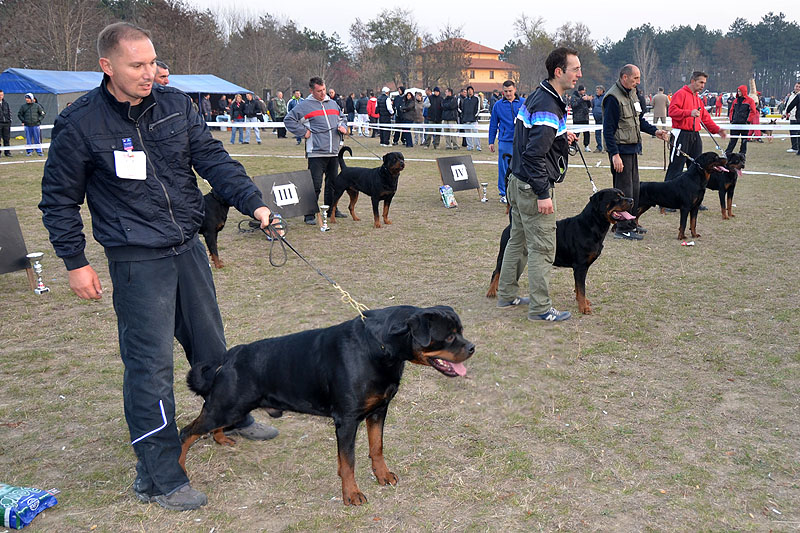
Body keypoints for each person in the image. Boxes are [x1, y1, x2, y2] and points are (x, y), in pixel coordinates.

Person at [38, 21, 279, 512]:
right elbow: (58, 200)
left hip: (186, 246)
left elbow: (213, 159)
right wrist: (75, 261)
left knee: (211, 345)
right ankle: (158, 475)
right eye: (137, 65)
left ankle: (228, 416)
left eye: (152, 62)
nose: (150, 73)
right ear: (108, 66)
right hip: (135, 257)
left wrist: (254, 203)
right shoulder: (80, 123)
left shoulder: (175, 104)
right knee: (150, 370)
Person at [496, 46, 580, 322]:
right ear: (559, 72)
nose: (579, 74)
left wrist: (561, 136)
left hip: (517, 182)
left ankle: (506, 295)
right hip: (533, 187)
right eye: (575, 69)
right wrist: (543, 193)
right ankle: (541, 308)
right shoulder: (547, 104)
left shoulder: (541, 96)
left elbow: (532, 136)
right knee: (543, 248)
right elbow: (534, 154)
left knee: (517, 241)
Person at [603, 64, 671, 241]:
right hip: (621, 151)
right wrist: (614, 154)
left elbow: (639, 120)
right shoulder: (613, 98)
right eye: (635, 78)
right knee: (624, 192)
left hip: (632, 149)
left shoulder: (633, 94)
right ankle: (622, 228)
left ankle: (631, 224)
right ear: (624, 77)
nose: (638, 82)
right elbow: (608, 130)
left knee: (634, 190)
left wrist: (655, 131)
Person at [283, 76, 348, 225]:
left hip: (333, 152)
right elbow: (288, 120)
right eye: (319, 91)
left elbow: (342, 118)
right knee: (314, 185)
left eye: (324, 89)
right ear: (311, 90)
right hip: (316, 152)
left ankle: (332, 210)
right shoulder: (304, 106)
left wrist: (343, 127)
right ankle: (309, 214)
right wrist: (303, 132)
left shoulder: (333, 103)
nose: (323, 93)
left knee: (333, 183)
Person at [665, 71, 726, 181]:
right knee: (676, 168)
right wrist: (689, 113)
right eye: (701, 82)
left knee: (697, 168)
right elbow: (672, 111)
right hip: (681, 135)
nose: (703, 86)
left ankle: (694, 196)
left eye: (704, 83)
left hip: (695, 136)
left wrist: (717, 130)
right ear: (693, 81)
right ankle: (667, 196)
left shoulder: (698, 99)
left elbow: (705, 117)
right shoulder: (680, 94)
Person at [488, 80, 524, 203]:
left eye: (510, 91)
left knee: (521, 167)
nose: (508, 93)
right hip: (505, 141)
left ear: (515, 89)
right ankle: (504, 193)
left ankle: (520, 192)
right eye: (506, 91)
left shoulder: (524, 104)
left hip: (521, 141)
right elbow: (493, 124)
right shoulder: (498, 105)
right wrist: (491, 141)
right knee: (504, 168)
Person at [725, 85, 758, 157]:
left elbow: (753, 111)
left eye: (740, 91)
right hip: (735, 123)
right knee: (732, 141)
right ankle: (727, 154)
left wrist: (748, 121)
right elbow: (731, 111)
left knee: (744, 141)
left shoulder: (750, 101)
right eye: (738, 91)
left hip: (744, 124)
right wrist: (731, 119)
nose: (738, 92)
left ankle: (742, 154)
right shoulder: (735, 100)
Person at [569, 84, 593, 151]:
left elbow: (589, 106)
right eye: (583, 90)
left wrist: (588, 100)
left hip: (585, 117)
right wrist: (581, 100)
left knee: (586, 133)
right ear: (580, 91)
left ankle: (586, 145)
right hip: (577, 118)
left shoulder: (585, 96)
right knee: (576, 133)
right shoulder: (574, 97)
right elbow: (573, 105)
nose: (584, 92)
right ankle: (573, 146)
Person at [461, 86, 481, 152]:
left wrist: (475, 116)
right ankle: (470, 146)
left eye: (471, 90)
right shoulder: (465, 100)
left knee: (476, 132)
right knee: (467, 133)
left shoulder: (476, 99)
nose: (470, 91)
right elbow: (463, 109)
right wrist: (463, 116)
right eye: (468, 90)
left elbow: (478, 109)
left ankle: (478, 146)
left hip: (474, 119)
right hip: (466, 119)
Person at [782, 81, 800, 153]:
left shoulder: (798, 96)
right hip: (792, 116)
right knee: (792, 132)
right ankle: (794, 147)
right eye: (796, 86)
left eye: (799, 87)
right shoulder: (791, 95)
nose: (797, 88)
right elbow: (788, 106)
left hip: (797, 116)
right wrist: (785, 113)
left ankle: (798, 148)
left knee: (798, 133)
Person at [591, 85, 605, 152]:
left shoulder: (605, 98)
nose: (597, 91)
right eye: (596, 90)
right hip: (597, 118)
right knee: (597, 133)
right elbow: (593, 106)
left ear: (602, 91)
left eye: (598, 90)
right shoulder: (595, 98)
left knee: (605, 133)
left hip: (604, 117)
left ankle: (606, 147)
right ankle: (599, 147)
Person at [0, 89, 11, 156]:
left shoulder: (5, 103)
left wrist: (9, 120)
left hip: (6, 123)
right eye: (0, 95)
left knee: (6, 138)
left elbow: (9, 112)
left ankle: (7, 152)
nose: (1, 96)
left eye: (2, 95)